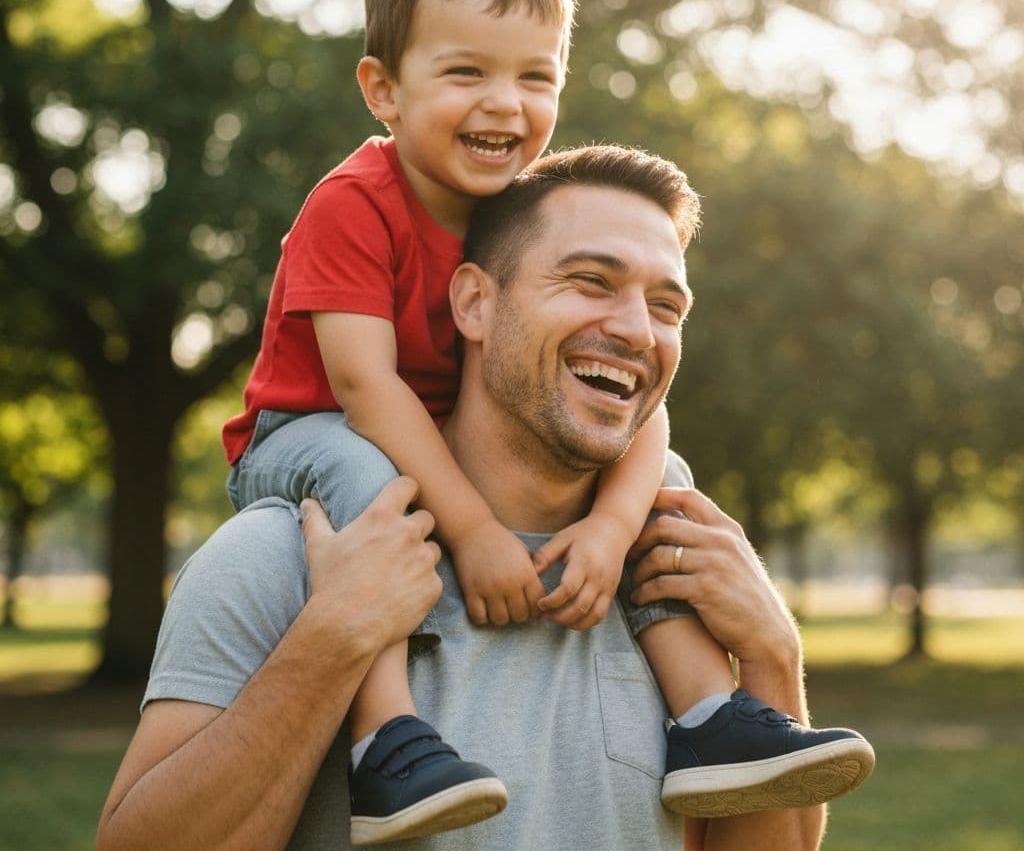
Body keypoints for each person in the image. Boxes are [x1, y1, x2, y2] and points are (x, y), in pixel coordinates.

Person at [216, 0, 867, 845]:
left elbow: (647, 416)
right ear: (382, 89)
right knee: (379, 495)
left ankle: (709, 719)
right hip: (309, 433)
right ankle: (389, 737)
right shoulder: (352, 206)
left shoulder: (519, 216)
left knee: (661, 492)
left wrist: (615, 532)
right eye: (466, 72)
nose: (504, 104)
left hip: (402, 428)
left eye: (535, 76)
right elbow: (364, 391)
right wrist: (473, 534)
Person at [98, 145, 873, 851]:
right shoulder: (286, 558)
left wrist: (772, 656)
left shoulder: (683, 572)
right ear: (472, 302)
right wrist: (332, 639)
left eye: (667, 307)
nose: (638, 329)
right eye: (590, 282)